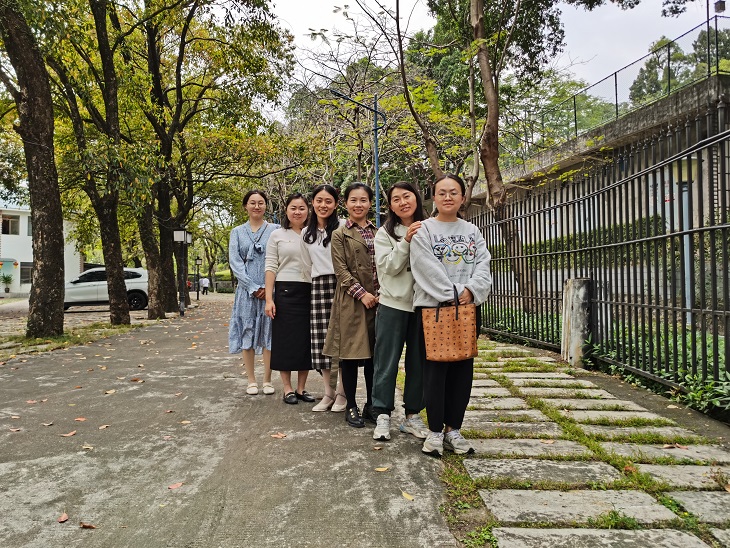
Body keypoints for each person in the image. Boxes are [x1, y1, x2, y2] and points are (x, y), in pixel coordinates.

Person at [410, 173, 492, 456]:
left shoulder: (472, 231)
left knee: (462, 371)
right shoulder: (423, 230)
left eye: (453, 192)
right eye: (442, 192)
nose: (448, 197)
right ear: (433, 197)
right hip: (433, 310)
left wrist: (471, 291)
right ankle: (434, 432)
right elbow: (425, 267)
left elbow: (483, 264)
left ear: (462, 197)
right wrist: (456, 293)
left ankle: (453, 429)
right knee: (434, 373)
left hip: (468, 309)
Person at [371, 182, 430, 441]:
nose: (403, 202)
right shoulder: (384, 233)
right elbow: (389, 267)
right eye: (396, 199)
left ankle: (412, 416)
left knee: (419, 363)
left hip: (423, 305)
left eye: (407, 196)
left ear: (416, 198)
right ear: (391, 206)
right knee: (386, 362)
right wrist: (406, 240)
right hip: (392, 305)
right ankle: (382, 414)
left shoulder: (430, 228)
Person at [323, 183, 379, 428]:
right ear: (345, 203)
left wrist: (379, 294)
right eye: (353, 200)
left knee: (373, 356)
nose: (358, 204)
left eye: (363, 200)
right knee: (350, 355)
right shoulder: (339, 233)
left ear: (370, 203)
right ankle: (351, 405)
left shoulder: (379, 232)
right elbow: (341, 271)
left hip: (378, 301)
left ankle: (371, 405)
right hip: (352, 301)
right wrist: (362, 294)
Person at [300, 184, 347, 412]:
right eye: (319, 200)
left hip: (342, 285)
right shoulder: (306, 233)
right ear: (313, 203)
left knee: (343, 342)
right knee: (322, 342)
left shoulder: (344, 226)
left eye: (328, 201)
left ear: (336, 204)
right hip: (318, 287)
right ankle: (328, 393)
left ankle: (343, 394)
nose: (323, 205)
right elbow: (306, 266)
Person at [228, 190, 279, 396]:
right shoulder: (237, 232)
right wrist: (253, 287)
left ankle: (267, 380)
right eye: (252, 203)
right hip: (246, 292)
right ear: (245, 206)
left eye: (260, 203)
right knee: (246, 331)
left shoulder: (275, 230)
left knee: (269, 333)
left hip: (270, 292)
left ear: (266, 205)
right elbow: (235, 262)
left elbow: (280, 258)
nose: (256, 206)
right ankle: (251, 380)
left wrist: (268, 288)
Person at [265, 193, 314, 405]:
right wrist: (269, 299)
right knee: (285, 341)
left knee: (305, 341)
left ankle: (301, 388)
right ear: (286, 210)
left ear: (308, 210)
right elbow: (270, 266)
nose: (297, 212)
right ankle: (287, 388)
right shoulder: (277, 235)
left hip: (310, 290)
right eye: (293, 208)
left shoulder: (314, 233)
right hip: (285, 292)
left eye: (302, 208)